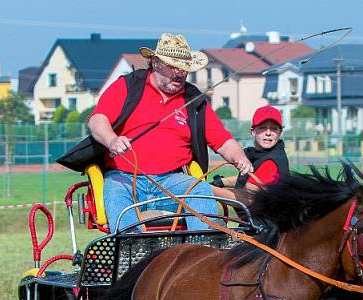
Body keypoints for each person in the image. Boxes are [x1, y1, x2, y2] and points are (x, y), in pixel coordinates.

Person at [59, 33, 252, 232]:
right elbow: (97, 120)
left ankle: (203, 246)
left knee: (200, 190)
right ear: (155, 62)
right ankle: (129, 251)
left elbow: (223, 141)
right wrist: (112, 140)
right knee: (116, 196)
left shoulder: (193, 99)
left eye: (184, 68)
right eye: (173, 66)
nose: (179, 73)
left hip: (173, 180)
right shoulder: (128, 86)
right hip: (124, 179)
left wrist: (239, 158)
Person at [211, 105, 289, 194]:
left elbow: (246, 198)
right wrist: (221, 181)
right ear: (252, 131)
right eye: (262, 128)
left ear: (280, 133)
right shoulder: (259, 154)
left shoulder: (271, 161)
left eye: (274, 129)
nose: (268, 133)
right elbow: (250, 179)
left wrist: (210, 191)